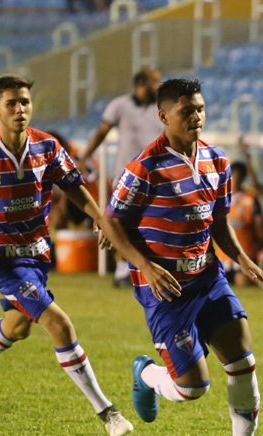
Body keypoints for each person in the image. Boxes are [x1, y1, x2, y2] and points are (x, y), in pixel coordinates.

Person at [0, 74, 133, 436]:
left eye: (25, 102)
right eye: (11, 103)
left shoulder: (48, 147)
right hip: (1, 261)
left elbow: (74, 188)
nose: (20, 109)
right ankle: (108, 413)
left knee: (19, 326)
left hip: (37, 258)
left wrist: (101, 219)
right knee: (61, 326)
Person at [100, 78, 263, 436]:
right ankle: (146, 375)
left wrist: (242, 258)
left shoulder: (218, 161)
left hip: (208, 277)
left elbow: (220, 221)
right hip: (164, 287)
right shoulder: (145, 168)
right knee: (192, 387)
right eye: (186, 111)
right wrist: (145, 265)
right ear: (163, 116)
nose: (196, 117)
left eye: (199, 109)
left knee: (241, 354)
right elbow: (111, 223)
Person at [78, 67, 164, 287]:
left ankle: (144, 270)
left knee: (151, 225)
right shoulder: (120, 105)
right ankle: (121, 272)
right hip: (126, 176)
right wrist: (85, 155)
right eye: (156, 82)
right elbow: (101, 133)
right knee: (121, 225)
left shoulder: (162, 107)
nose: (159, 86)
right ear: (142, 83)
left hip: (157, 178)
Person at [215, 137, 263, 287]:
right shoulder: (219, 197)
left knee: (243, 292)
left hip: (244, 256)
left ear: (244, 178)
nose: (236, 179)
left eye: (239, 176)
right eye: (233, 175)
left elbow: (259, 231)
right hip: (222, 258)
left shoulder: (251, 200)